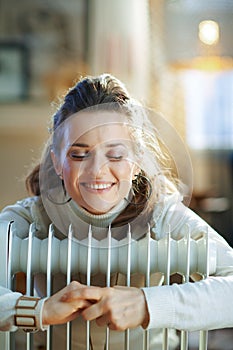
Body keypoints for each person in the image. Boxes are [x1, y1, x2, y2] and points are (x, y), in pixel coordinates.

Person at [0, 73, 233, 350]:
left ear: (136, 162)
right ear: (58, 162)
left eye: (116, 155)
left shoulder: (163, 216)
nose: (97, 170)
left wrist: (146, 305)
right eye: (78, 154)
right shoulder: (32, 217)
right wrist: (39, 310)